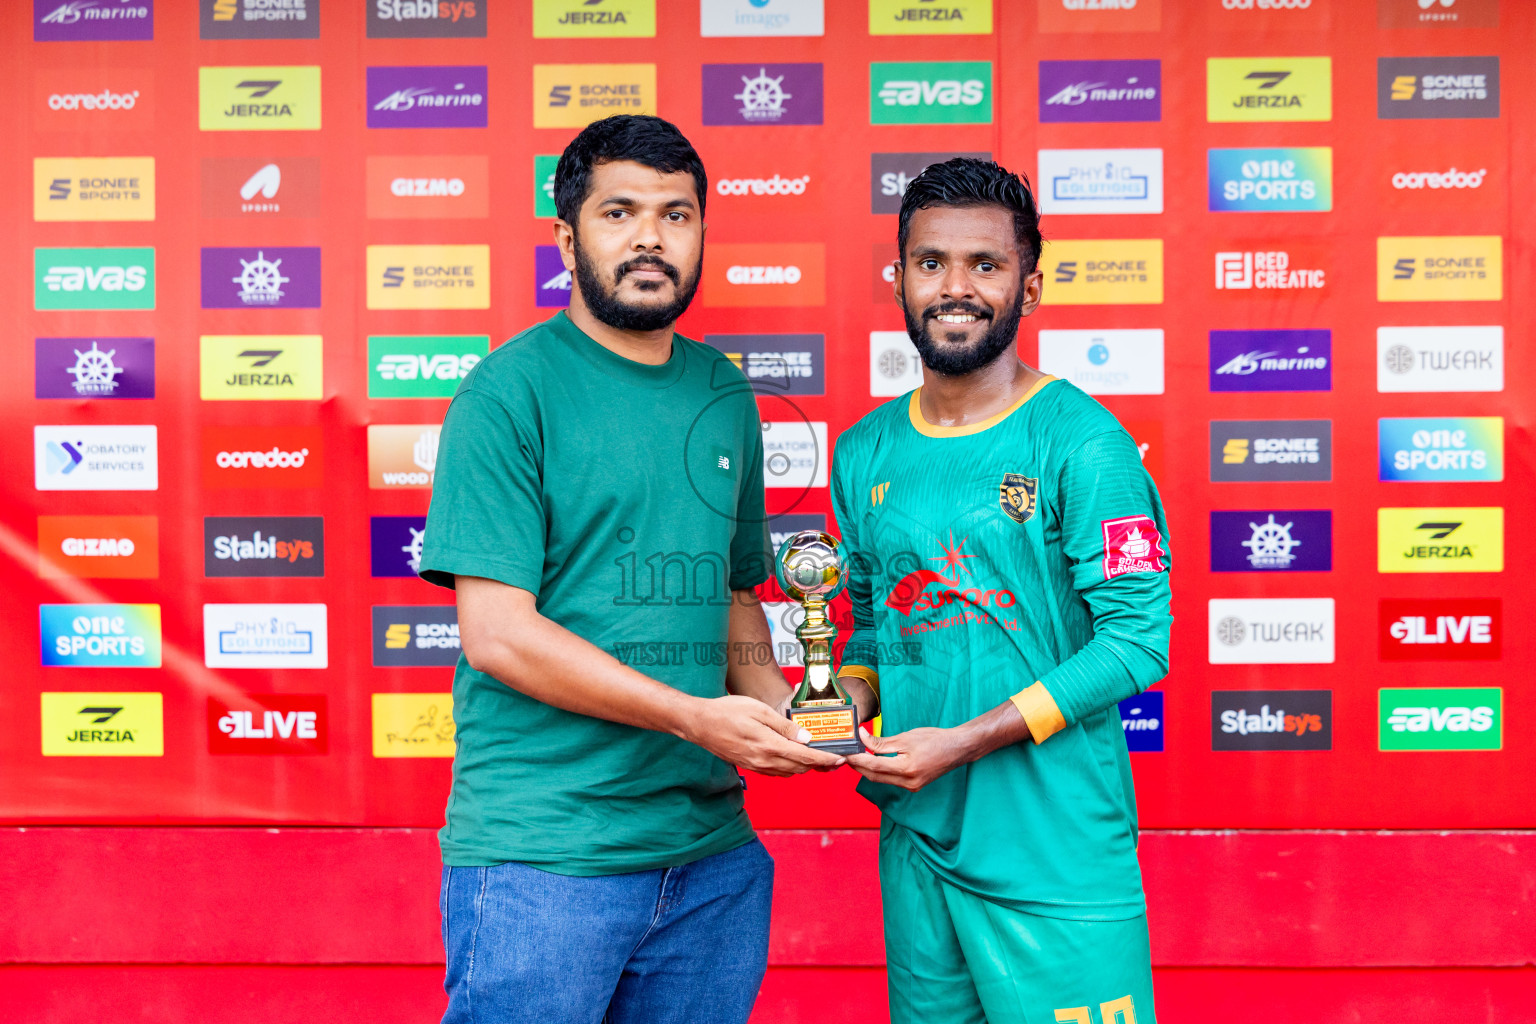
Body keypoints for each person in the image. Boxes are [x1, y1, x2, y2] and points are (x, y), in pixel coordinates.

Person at [418, 114, 844, 1024]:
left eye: (676, 214)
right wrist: (698, 718)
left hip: (712, 860)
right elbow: (498, 635)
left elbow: (732, 593)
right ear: (569, 237)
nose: (651, 237)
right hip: (546, 861)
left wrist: (786, 714)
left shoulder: (726, 393)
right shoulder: (506, 394)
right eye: (620, 212)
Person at [830, 157, 1171, 1024]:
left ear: (1032, 283)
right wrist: (843, 700)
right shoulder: (863, 450)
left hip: (1053, 850)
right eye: (931, 262)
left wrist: (968, 739)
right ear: (898, 278)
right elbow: (873, 625)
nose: (956, 288)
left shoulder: (1083, 443)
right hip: (918, 839)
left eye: (986, 265)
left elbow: (1139, 642)